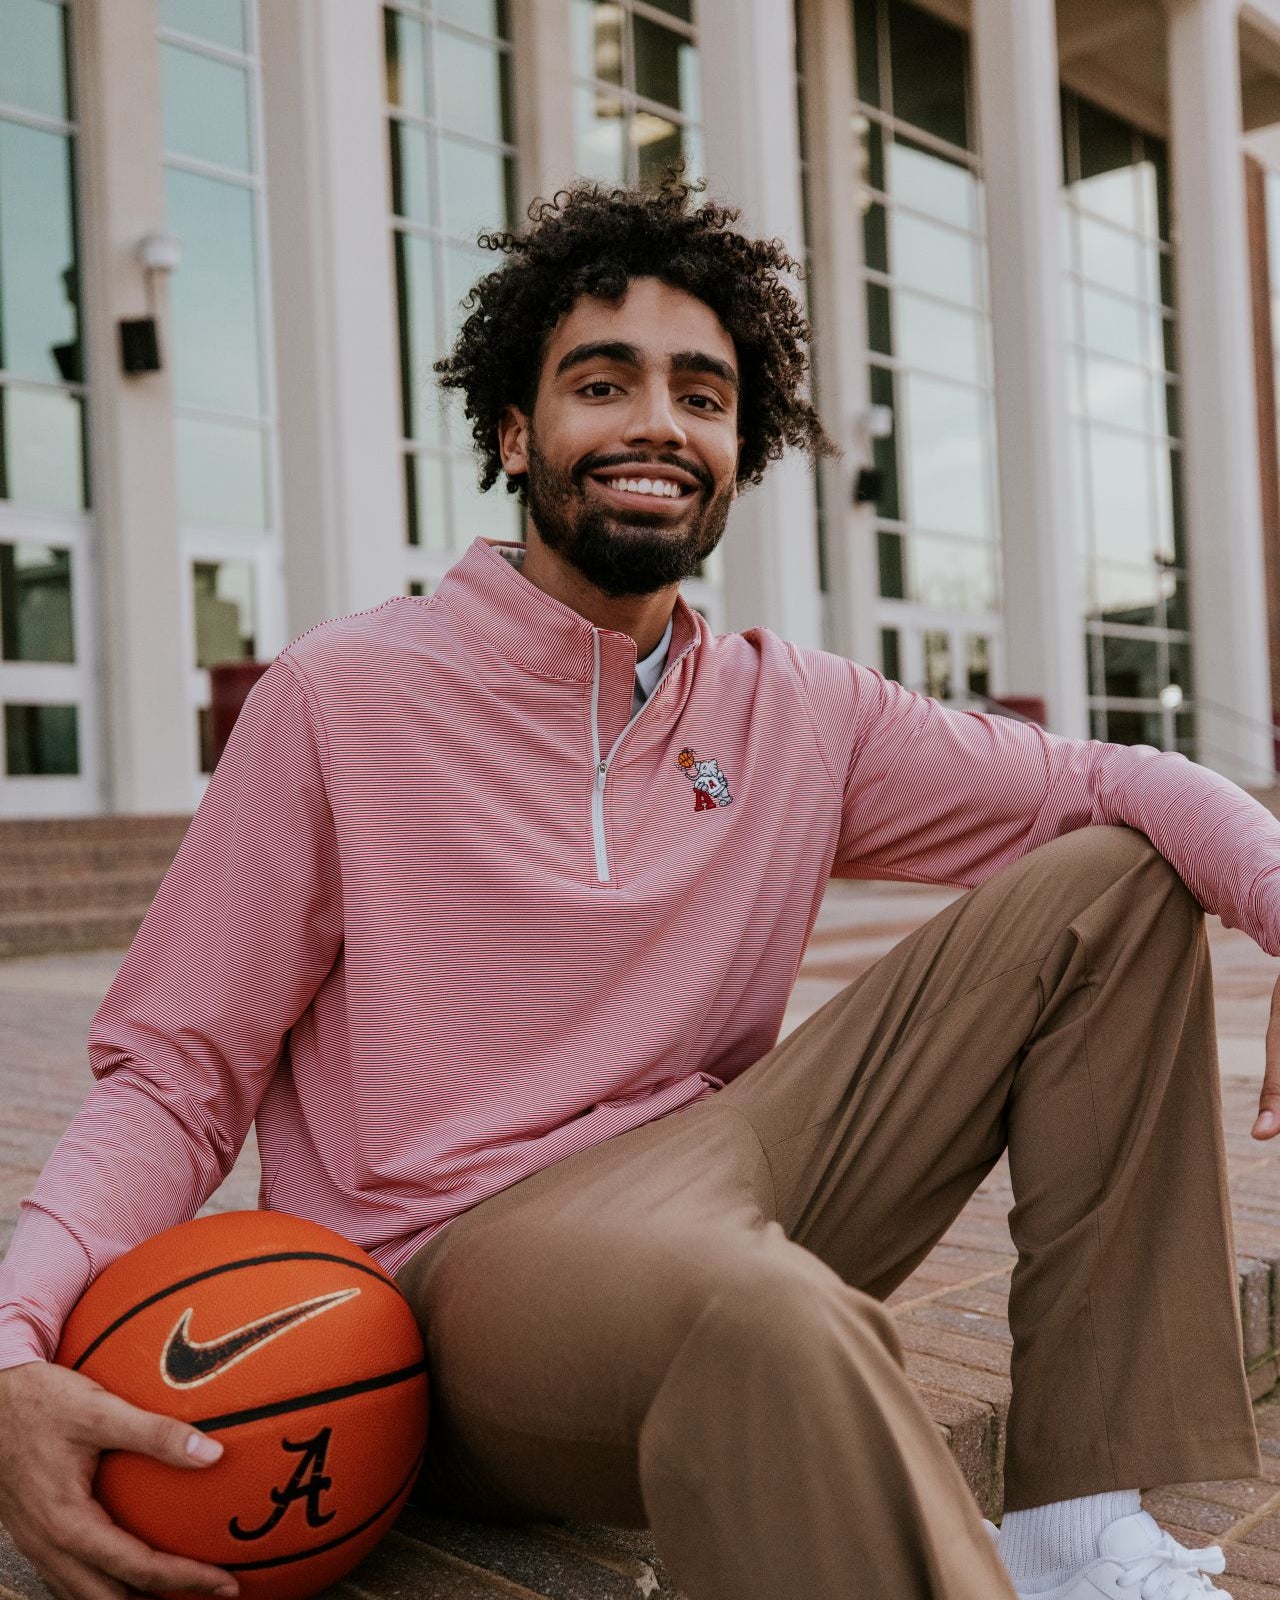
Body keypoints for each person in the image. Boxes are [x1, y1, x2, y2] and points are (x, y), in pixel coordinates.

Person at [0, 169, 1276, 1600]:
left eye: (701, 394)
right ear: (512, 428)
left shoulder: (797, 709)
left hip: (729, 1171)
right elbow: (175, 1070)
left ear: (741, 447)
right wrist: (13, 1349)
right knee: (765, 1316)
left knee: (1113, 883)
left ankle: (1073, 1537)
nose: (657, 423)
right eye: (602, 384)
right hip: (469, 1263)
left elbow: (1119, 783)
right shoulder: (341, 696)